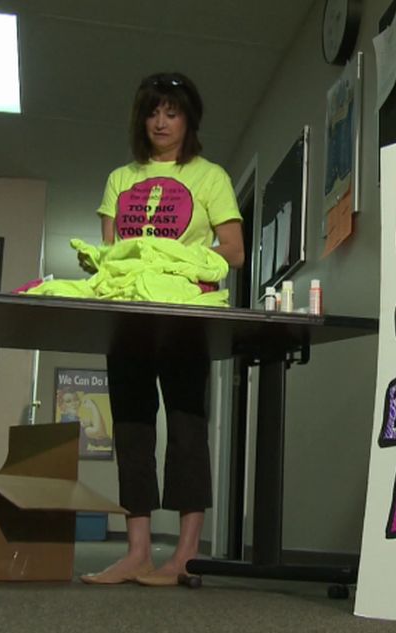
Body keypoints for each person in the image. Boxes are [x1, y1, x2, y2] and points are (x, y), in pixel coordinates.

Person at [81, 72, 244, 587]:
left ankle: (186, 555)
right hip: (129, 318)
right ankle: (137, 553)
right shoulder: (119, 179)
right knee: (131, 427)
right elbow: (110, 259)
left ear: (188, 119)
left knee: (187, 426)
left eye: (171, 112)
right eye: (153, 112)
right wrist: (122, 264)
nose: (161, 122)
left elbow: (234, 252)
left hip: (185, 317)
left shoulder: (210, 177)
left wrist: (169, 258)